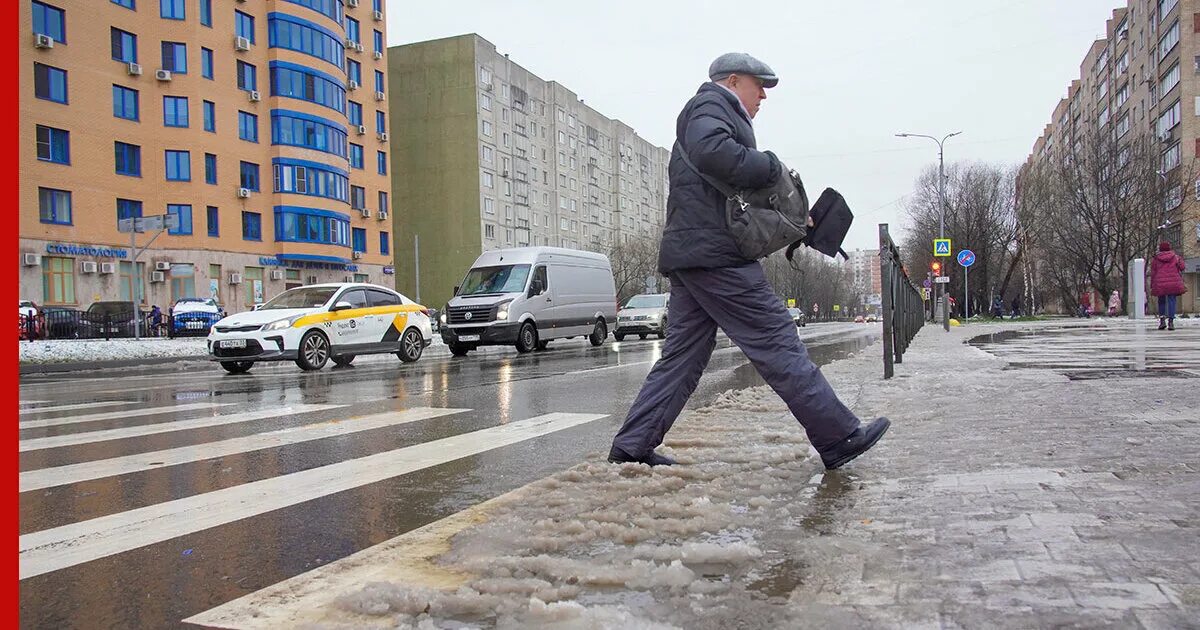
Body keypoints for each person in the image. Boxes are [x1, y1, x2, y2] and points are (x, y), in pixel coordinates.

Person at [607, 53, 889, 470]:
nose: (762, 96)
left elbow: (721, 182)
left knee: (682, 358)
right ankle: (838, 435)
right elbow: (713, 152)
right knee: (777, 340)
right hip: (716, 255)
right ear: (733, 80)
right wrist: (772, 165)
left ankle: (631, 447)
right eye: (759, 86)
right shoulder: (709, 104)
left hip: (695, 253)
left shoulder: (710, 109)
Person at [1150, 241, 1186, 330]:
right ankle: (1171, 322)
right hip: (1173, 282)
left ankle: (1162, 321)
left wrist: (1152, 285)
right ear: (1169, 248)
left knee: (1161, 301)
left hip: (1160, 283)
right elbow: (1182, 267)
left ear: (1160, 249)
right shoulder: (1176, 257)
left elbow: (1153, 272)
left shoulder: (1156, 259)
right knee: (1172, 301)